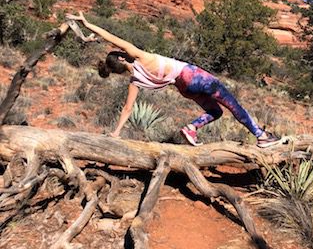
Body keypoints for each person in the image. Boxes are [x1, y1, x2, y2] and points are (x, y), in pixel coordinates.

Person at [66, 12, 281, 148]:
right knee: (232, 103)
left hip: (184, 87)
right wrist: (87, 23)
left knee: (216, 111)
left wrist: (116, 133)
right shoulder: (140, 56)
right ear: (122, 57)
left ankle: (191, 128)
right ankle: (261, 136)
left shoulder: (135, 80)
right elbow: (110, 37)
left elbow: (127, 109)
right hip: (192, 76)